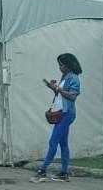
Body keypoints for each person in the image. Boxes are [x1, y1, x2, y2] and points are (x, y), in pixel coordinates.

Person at [35, 51, 82, 182]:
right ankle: (63, 173)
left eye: (61, 65)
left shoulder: (73, 78)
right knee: (63, 143)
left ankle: (43, 169)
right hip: (62, 112)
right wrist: (53, 88)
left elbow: (72, 96)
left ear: (68, 65)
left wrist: (59, 89)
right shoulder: (65, 76)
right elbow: (61, 95)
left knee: (53, 141)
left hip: (66, 114)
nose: (59, 67)